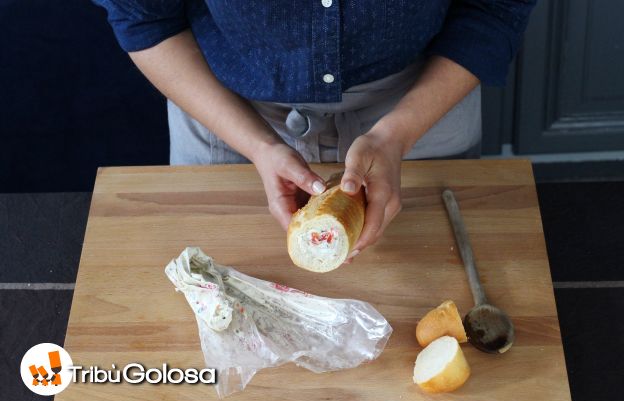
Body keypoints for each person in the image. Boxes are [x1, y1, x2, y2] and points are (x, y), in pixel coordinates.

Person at [94, 0, 535, 261]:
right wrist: (258, 145)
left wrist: (398, 133)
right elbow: (143, 17)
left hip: (420, 101)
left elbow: (493, 7)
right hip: (225, 111)